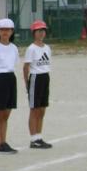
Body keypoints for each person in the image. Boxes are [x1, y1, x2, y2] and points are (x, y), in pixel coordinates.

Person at [0, 18, 20, 154]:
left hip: (10, 78)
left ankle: (3, 141)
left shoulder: (14, 48)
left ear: (12, 32)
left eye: (8, 30)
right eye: (2, 30)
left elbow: (13, 64)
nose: (5, 32)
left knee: (6, 113)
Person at [24, 20, 53, 149]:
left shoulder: (47, 48)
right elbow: (26, 67)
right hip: (36, 78)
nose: (41, 33)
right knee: (34, 109)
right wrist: (27, 83)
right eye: (39, 31)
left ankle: (39, 137)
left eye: (43, 31)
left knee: (42, 109)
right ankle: (33, 139)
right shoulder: (31, 49)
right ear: (34, 33)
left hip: (45, 77)